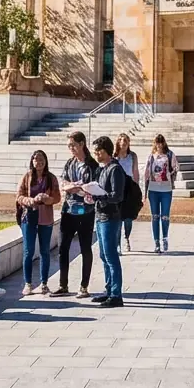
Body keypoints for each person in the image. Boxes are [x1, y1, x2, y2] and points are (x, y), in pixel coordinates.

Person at [51, 131, 99, 297]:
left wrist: (77, 188)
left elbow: (93, 185)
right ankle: (63, 285)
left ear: (82, 144)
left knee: (85, 248)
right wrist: (71, 186)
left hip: (86, 211)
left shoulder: (92, 165)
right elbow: (63, 183)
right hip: (69, 210)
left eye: (73, 145)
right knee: (63, 247)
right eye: (69, 145)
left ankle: (84, 286)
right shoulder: (70, 163)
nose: (70, 148)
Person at [16, 149, 61, 295]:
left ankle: (44, 283)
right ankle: (28, 283)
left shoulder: (51, 178)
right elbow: (19, 196)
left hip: (45, 218)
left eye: (42, 159)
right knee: (28, 251)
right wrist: (30, 201)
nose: (39, 162)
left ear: (46, 161)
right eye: (36, 159)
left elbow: (57, 197)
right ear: (32, 161)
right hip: (29, 217)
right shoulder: (27, 177)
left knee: (44, 251)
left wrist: (48, 199)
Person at [90, 135, 126, 308]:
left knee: (111, 256)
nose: (96, 154)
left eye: (98, 151)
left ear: (106, 151)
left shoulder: (115, 169)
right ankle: (109, 290)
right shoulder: (102, 169)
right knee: (104, 256)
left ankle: (116, 294)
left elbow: (117, 196)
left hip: (110, 217)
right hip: (100, 216)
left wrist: (98, 196)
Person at [143, 134, 179, 253]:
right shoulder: (151, 157)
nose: (159, 145)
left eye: (161, 142)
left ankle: (165, 237)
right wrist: (144, 192)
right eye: (157, 142)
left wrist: (169, 173)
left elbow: (176, 167)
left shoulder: (169, 155)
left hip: (165, 189)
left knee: (165, 216)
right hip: (153, 190)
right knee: (155, 217)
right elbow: (146, 174)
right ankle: (156, 242)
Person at [114, 133, 139, 252]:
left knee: (128, 219)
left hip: (129, 188)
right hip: (118, 188)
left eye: (125, 141)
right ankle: (117, 244)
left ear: (128, 143)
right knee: (118, 219)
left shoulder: (132, 156)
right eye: (121, 141)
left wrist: (137, 189)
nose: (123, 143)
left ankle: (126, 237)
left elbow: (135, 172)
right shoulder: (114, 157)